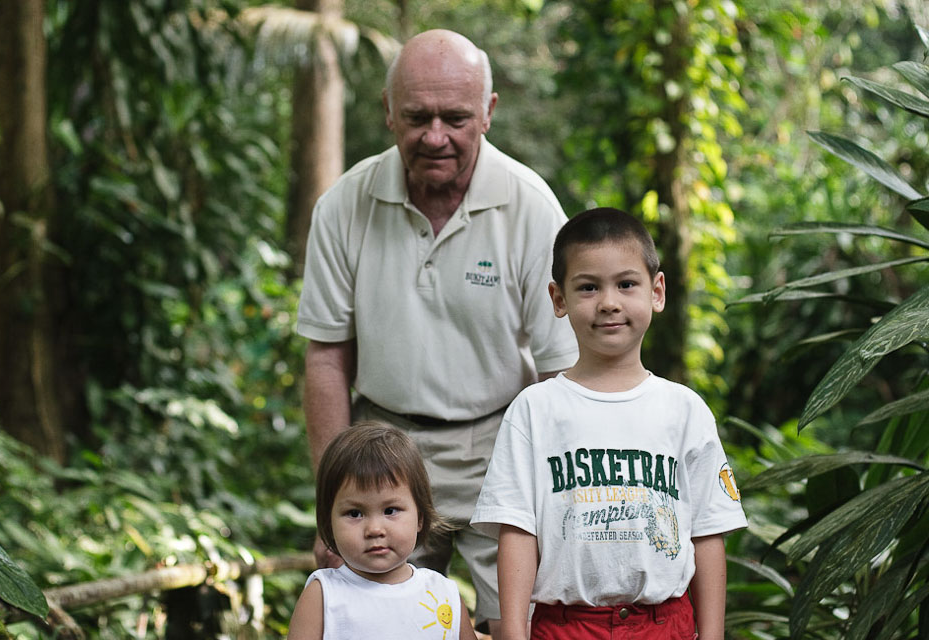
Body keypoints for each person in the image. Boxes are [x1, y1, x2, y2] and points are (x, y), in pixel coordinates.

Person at [296, 28, 578, 634]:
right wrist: (332, 500)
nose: (435, 136)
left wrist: (559, 498)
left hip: (501, 445)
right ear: (388, 111)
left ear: (488, 112)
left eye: (455, 118)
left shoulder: (530, 206)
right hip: (382, 449)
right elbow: (325, 357)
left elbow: (562, 370)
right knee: (379, 621)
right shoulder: (345, 204)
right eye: (417, 116)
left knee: (519, 621)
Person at [470, 208, 748, 640]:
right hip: (566, 627)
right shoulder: (534, 409)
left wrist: (712, 636)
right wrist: (515, 632)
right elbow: (517, 532)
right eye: (588, 287)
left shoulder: (685, 410)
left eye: (626, 284)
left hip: (664, 625)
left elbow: (707, 534)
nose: (609, 302)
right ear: (558, 299)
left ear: (657, 291)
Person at [287, 421, 479, 640]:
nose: (374, 529)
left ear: (420, 517)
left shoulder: (443, 595)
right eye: (355, 513)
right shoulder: (324, 595)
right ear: (328, 523)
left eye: (390, 510)